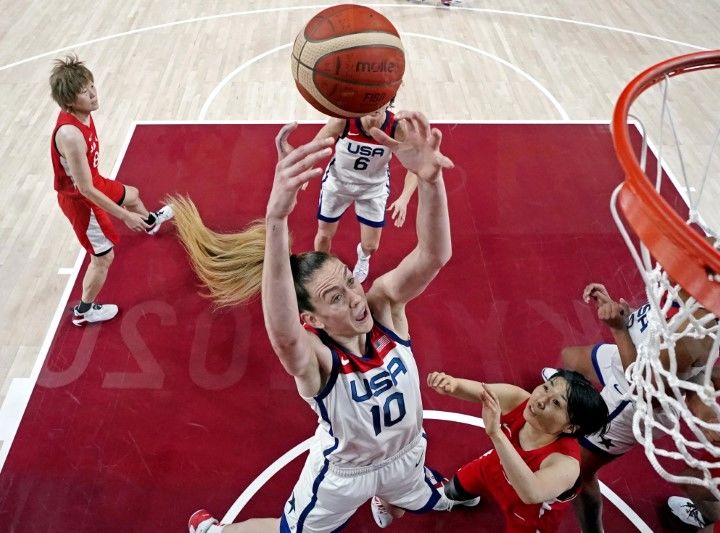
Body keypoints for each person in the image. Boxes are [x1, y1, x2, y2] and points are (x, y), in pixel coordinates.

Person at [182, 111, 472, 533]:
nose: (356, 299)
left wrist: (430, 182)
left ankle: (389, 500)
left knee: (431, 501)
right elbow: (283, 335)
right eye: (335, 297)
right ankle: (217, 531)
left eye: (350, 282)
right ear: (310, 319)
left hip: (406, 455)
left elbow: (434, 256)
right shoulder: (316, 358)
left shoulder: (384, 308)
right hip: (343, 475)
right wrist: (277, 220)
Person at [558, 281, 720, 533]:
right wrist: (629, 316)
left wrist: (619, 329)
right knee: (570, 357)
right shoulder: (683, 283)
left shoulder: (694, 332)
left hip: (632, 400)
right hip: (630, 359)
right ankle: (568, 400)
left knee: (579, 471)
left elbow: (643, 389)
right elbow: (662, 322)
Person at [49, 54, 173, 326]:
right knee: (103, 258)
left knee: (134, 194)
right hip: (81, 201)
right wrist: (125, 217)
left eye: (92, 85)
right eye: (84, 91)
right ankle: (84, 310)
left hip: (93, 181)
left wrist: (129, 210)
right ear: (70, 100)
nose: (93, 94)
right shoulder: (70, 135)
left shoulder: (81, 113)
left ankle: (150, 222)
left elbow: (89, 180)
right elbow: (85, 190)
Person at [424, 368, 608, 533]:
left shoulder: (566, 464)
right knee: (455, 487)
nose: (540, 401)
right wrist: (453, 384)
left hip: (528, 512)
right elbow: (483, 391)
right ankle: (461, 498)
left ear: (571, 427)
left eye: (556, 403)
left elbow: (531, 493)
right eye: (546, 388)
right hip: (494, 467)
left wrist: (496, 434)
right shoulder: (519, 400)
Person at [299, 100, 418, 284]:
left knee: (371, 245)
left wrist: (404, 198)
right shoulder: (344, 120)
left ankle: (363, 258)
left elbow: (415, 166)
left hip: (373, 188)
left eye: (381, 99)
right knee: (323, 235)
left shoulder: (396, 127)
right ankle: (323, 270)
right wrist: (307, 169)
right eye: (372, 99)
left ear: (389, 100)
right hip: (339, 183)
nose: (376, 106)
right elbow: (317, 144)